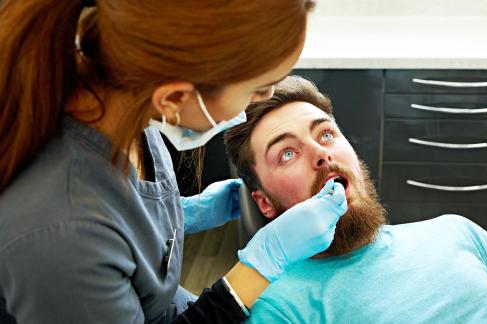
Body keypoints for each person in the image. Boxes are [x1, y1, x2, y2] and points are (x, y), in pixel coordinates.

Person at [0, 1, 349, 323]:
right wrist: (260, 266)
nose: (267, 96)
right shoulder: (61, 236)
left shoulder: (129, 113)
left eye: (326, 133)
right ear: (174, 98)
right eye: (257, 87)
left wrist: (183, 214)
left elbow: (127, 233)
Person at [224, 76, 487, 323]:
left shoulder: (458, 232)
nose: (320, 154)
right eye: (286, 153)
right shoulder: (278, 308)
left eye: (326, 133)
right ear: (264, 202)